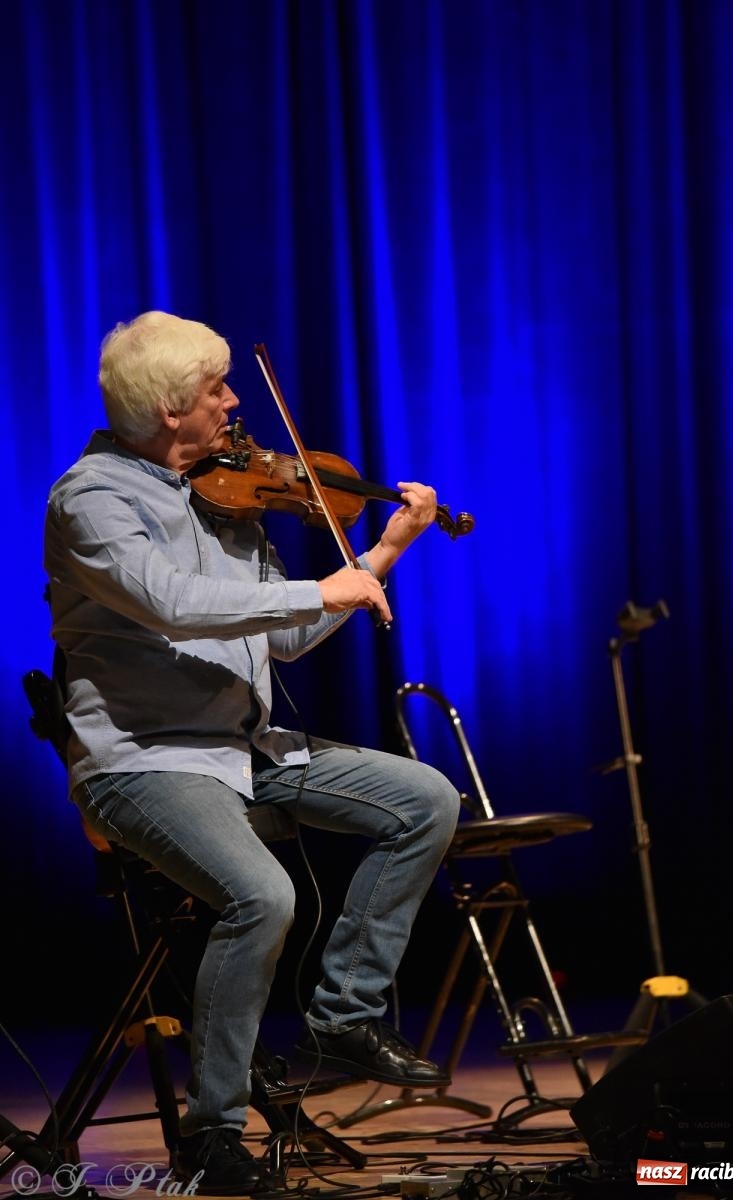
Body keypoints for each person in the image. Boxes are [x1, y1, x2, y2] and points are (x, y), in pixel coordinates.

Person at [45, 311, 461, 1194]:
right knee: (261, 893)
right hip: (142, 759)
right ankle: (212, 1131)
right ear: (167, 410)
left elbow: (278, 638)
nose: (235, 403)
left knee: (423, 799)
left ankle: (343, 1014)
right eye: (215, 391)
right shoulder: (91, 499)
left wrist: (381, 553)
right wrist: (326, 583)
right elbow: (171, 603)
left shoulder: (223, 494)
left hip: (243, 744)